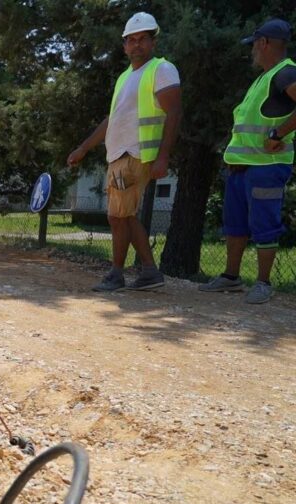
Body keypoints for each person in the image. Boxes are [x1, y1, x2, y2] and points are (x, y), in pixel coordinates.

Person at [68, 12, 182, 292]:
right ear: (124, 46)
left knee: (118, 217)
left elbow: (175, 113)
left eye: (143, 39)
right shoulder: (125, 78)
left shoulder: (161, 69)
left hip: (136, 153)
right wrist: (84, 147)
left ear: (153, 42)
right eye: (131, 40)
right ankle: (149, 271)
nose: (137, 45)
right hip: (119, 154)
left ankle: (116, 274)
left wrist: (163, 157)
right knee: (123, 215)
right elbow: (113, 119)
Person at [199, 18, 296, 304]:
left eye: (254, 44)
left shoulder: (285, 73)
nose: (252, 50)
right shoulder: (264, 78)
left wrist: (278, 133)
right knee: (235, 224)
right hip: (243, 167)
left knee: (264, 225)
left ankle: (264, 283)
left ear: (264, 42)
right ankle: (231, 277)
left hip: (266, 167)